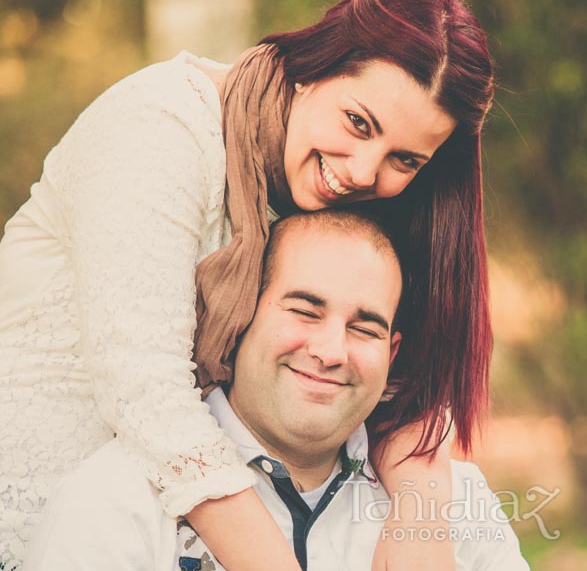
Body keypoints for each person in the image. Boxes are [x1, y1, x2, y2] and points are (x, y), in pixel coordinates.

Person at [0, 0, 494, 570]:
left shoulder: (330, 197)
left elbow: (398, 378)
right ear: (316, 65)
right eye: (359, 123)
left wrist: (420, 525)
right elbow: (145, 391)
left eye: (405, 159)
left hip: (178, 529)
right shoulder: (161, 129)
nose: (364, 171)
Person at [24, 210, 529, 571]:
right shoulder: (118, 497)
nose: (332, 350)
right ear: (240, 316)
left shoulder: (454, 503)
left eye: (365, 328)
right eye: (305, 310)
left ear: (392, 354)